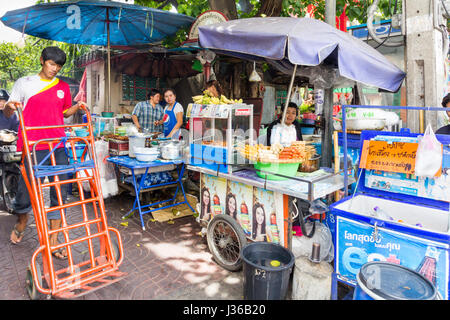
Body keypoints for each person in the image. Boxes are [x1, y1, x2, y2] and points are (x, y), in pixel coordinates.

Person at [4, 46, 86, 259]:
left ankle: (54, 240)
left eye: (58, 66)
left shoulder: (63, 87)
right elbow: (8, 109)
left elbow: (65, 113)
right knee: (27, 189)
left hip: (57, 145)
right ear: (42, 61)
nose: (55, 69)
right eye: (51, 64)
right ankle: (22, 221)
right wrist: (9, 108)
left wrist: (76, 108)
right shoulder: (24, 83)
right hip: (32, 144)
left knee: (60, 191)